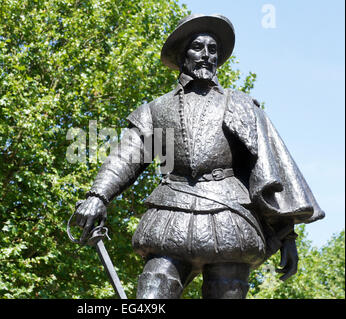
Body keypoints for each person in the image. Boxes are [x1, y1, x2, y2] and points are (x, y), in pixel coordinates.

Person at [72, 14, 325, 299]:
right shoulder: (157, 109)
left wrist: (287, 234)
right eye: (197, 47)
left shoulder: (241, 105)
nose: (206, 55)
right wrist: (97, 196)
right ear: (183, 55)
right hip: (170, 219)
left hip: (229, 220)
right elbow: (127, 156)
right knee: (152, 293)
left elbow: (266, 168)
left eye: (213, 49)